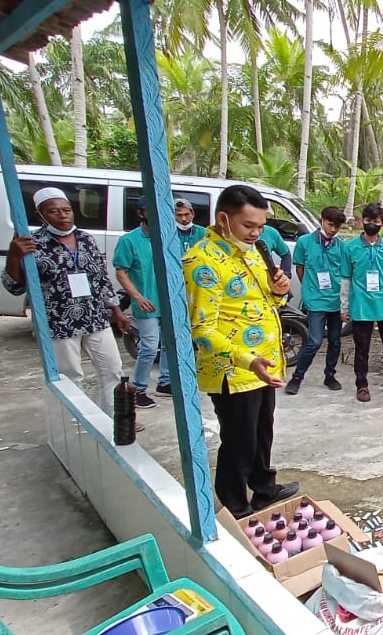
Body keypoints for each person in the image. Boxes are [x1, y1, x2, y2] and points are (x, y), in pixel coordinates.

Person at [183, 184, 298, 517]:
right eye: (249, 225)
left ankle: (264, 487)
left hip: (264, 365)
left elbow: (263, 304)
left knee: (262, 431)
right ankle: (235, 504)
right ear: (223, 218)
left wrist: (279, 292)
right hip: (233, 370)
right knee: (239, 439)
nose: (256, 233)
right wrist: (247, 360)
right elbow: (202, 330)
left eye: (260, 226)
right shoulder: (203, 262)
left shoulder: (251, 252)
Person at [4, 187, 130, 415]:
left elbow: (101, 278)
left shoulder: (85, 239)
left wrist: (116, 310)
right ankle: (77, 424)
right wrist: (13, 255)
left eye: (67, 210)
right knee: (70, 377)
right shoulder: (33, 243)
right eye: (54, 211)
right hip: (59, 322)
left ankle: (114, 419)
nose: (63, 216)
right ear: (41, 215)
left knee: (112, 370)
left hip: (94, 317)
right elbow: (14, 286)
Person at [340, 204, 383, 402]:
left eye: (376, 221)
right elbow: (346, 279)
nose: (371, 224)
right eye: (368, 220)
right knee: (362, 349)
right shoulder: (350, 247)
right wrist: (344, 306)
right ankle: (362, 385)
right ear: (362, 220)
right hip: (362, 305)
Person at [113, 200, 172, 407]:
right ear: (141, 213)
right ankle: (138, 389)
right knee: (149, 347)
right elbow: (121, 273)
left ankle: (165, 382)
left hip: (169, 302)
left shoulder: (168, 238)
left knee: (170, 344)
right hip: (146, 303)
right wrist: (137, 297)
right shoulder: (129, 240)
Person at [285, 206, 348, 395]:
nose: (333, 229)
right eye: (330, 224)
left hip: (335, 300)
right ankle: (297, 376)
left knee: (335, 340)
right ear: (321, 221)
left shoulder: (342, 245)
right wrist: (309, 289)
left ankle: (330, 375)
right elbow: (300, 268)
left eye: (337, 226)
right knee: (314, 340)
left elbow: (344, 273)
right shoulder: (304, 242)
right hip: (315, 300)